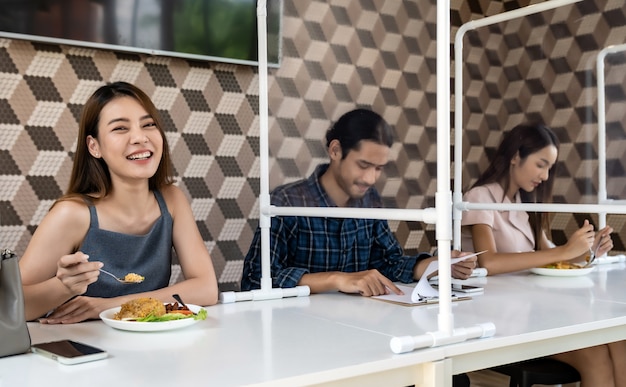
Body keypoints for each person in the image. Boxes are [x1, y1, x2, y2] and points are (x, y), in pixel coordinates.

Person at [19, 81, 218, 324]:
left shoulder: (172, 200)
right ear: (94, 147)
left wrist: (109, 306)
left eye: (148, 125)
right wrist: (64, 287)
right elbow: (11, 307)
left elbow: (206, 288)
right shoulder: (72, 214)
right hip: (86, 350)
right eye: (121, 128)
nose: (140, 137)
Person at [241, 108, 477, 297]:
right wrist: (337, 279)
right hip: (296, 331)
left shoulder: (370, 201)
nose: (370, 178)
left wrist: (438, 266)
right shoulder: (286, 201)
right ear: (335, 150)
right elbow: (254, 280)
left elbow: (389, 263)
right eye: (363, 165)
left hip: (358, 326)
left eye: (379, 169)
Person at [461, 123, 625, 386]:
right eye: (541, 164)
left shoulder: (524, 204)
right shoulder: (479, 197)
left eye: (550, 168)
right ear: (515, 156)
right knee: (595, 354)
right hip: (497, 315)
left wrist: (587, 252)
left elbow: (550, 255)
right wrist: (565, 250)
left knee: (618, 341)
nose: (546, 176)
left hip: (533, 309)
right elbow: (488, 261)